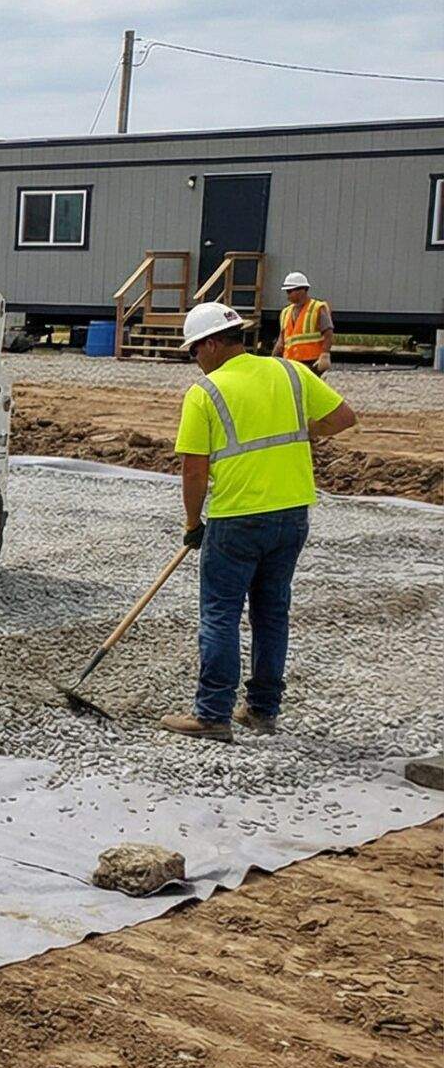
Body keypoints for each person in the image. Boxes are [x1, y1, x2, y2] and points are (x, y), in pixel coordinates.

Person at [160, 301, 357, 740]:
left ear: (212, 344)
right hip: (291, 515)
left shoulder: (206, 393)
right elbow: (343, 418)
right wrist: (300, 433)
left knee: (220, 614)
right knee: (272, 613)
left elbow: (194, 471)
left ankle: (212, 714)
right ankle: (263, 710)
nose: (195, 359)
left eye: (195, 350)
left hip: (237, 518)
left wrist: (193, 523)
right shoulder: (290, 372)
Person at [272, 271, 334, 374]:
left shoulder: (317, 308)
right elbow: (281, 341)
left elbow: (328, 334)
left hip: (312, 362)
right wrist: (273, 360)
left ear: (302, 290)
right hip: (291, 362)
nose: (287, 295)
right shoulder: (285, 312)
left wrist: (325, 354)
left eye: (289, 291)